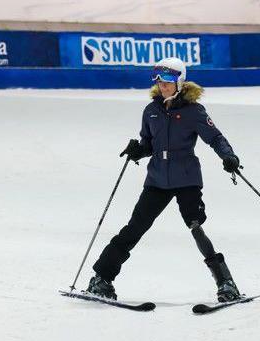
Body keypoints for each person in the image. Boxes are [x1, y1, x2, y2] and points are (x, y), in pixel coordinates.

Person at [86, 57, 243, 302]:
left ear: (180, 81)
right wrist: (138, 149)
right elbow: (149, 143)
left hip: (186, 178)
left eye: (168, 79)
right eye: (158, 79)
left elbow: (215, 137)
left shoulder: (193, 111)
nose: (163, 85)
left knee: (196, 225)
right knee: (134, 228)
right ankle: (101, 278)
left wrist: (229, 156)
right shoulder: (151, 111)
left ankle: (226, 283)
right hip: (157, 179)